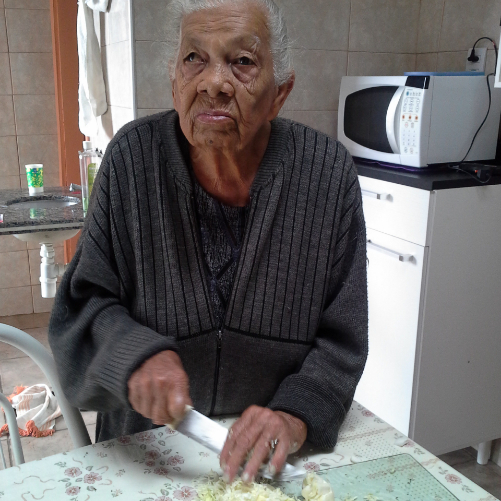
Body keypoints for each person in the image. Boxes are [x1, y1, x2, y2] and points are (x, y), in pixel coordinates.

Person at [49, 0, 368, 484]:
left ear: (280, 94)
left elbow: (342, 340)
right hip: (149, 456)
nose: (214, 82)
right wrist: (133, 351)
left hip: (270, 464)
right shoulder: (131, 161)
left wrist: (294, 415)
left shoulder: (327, 174)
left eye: (242, 61)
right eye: (194, 58)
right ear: (174, 83)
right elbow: (83, 305)